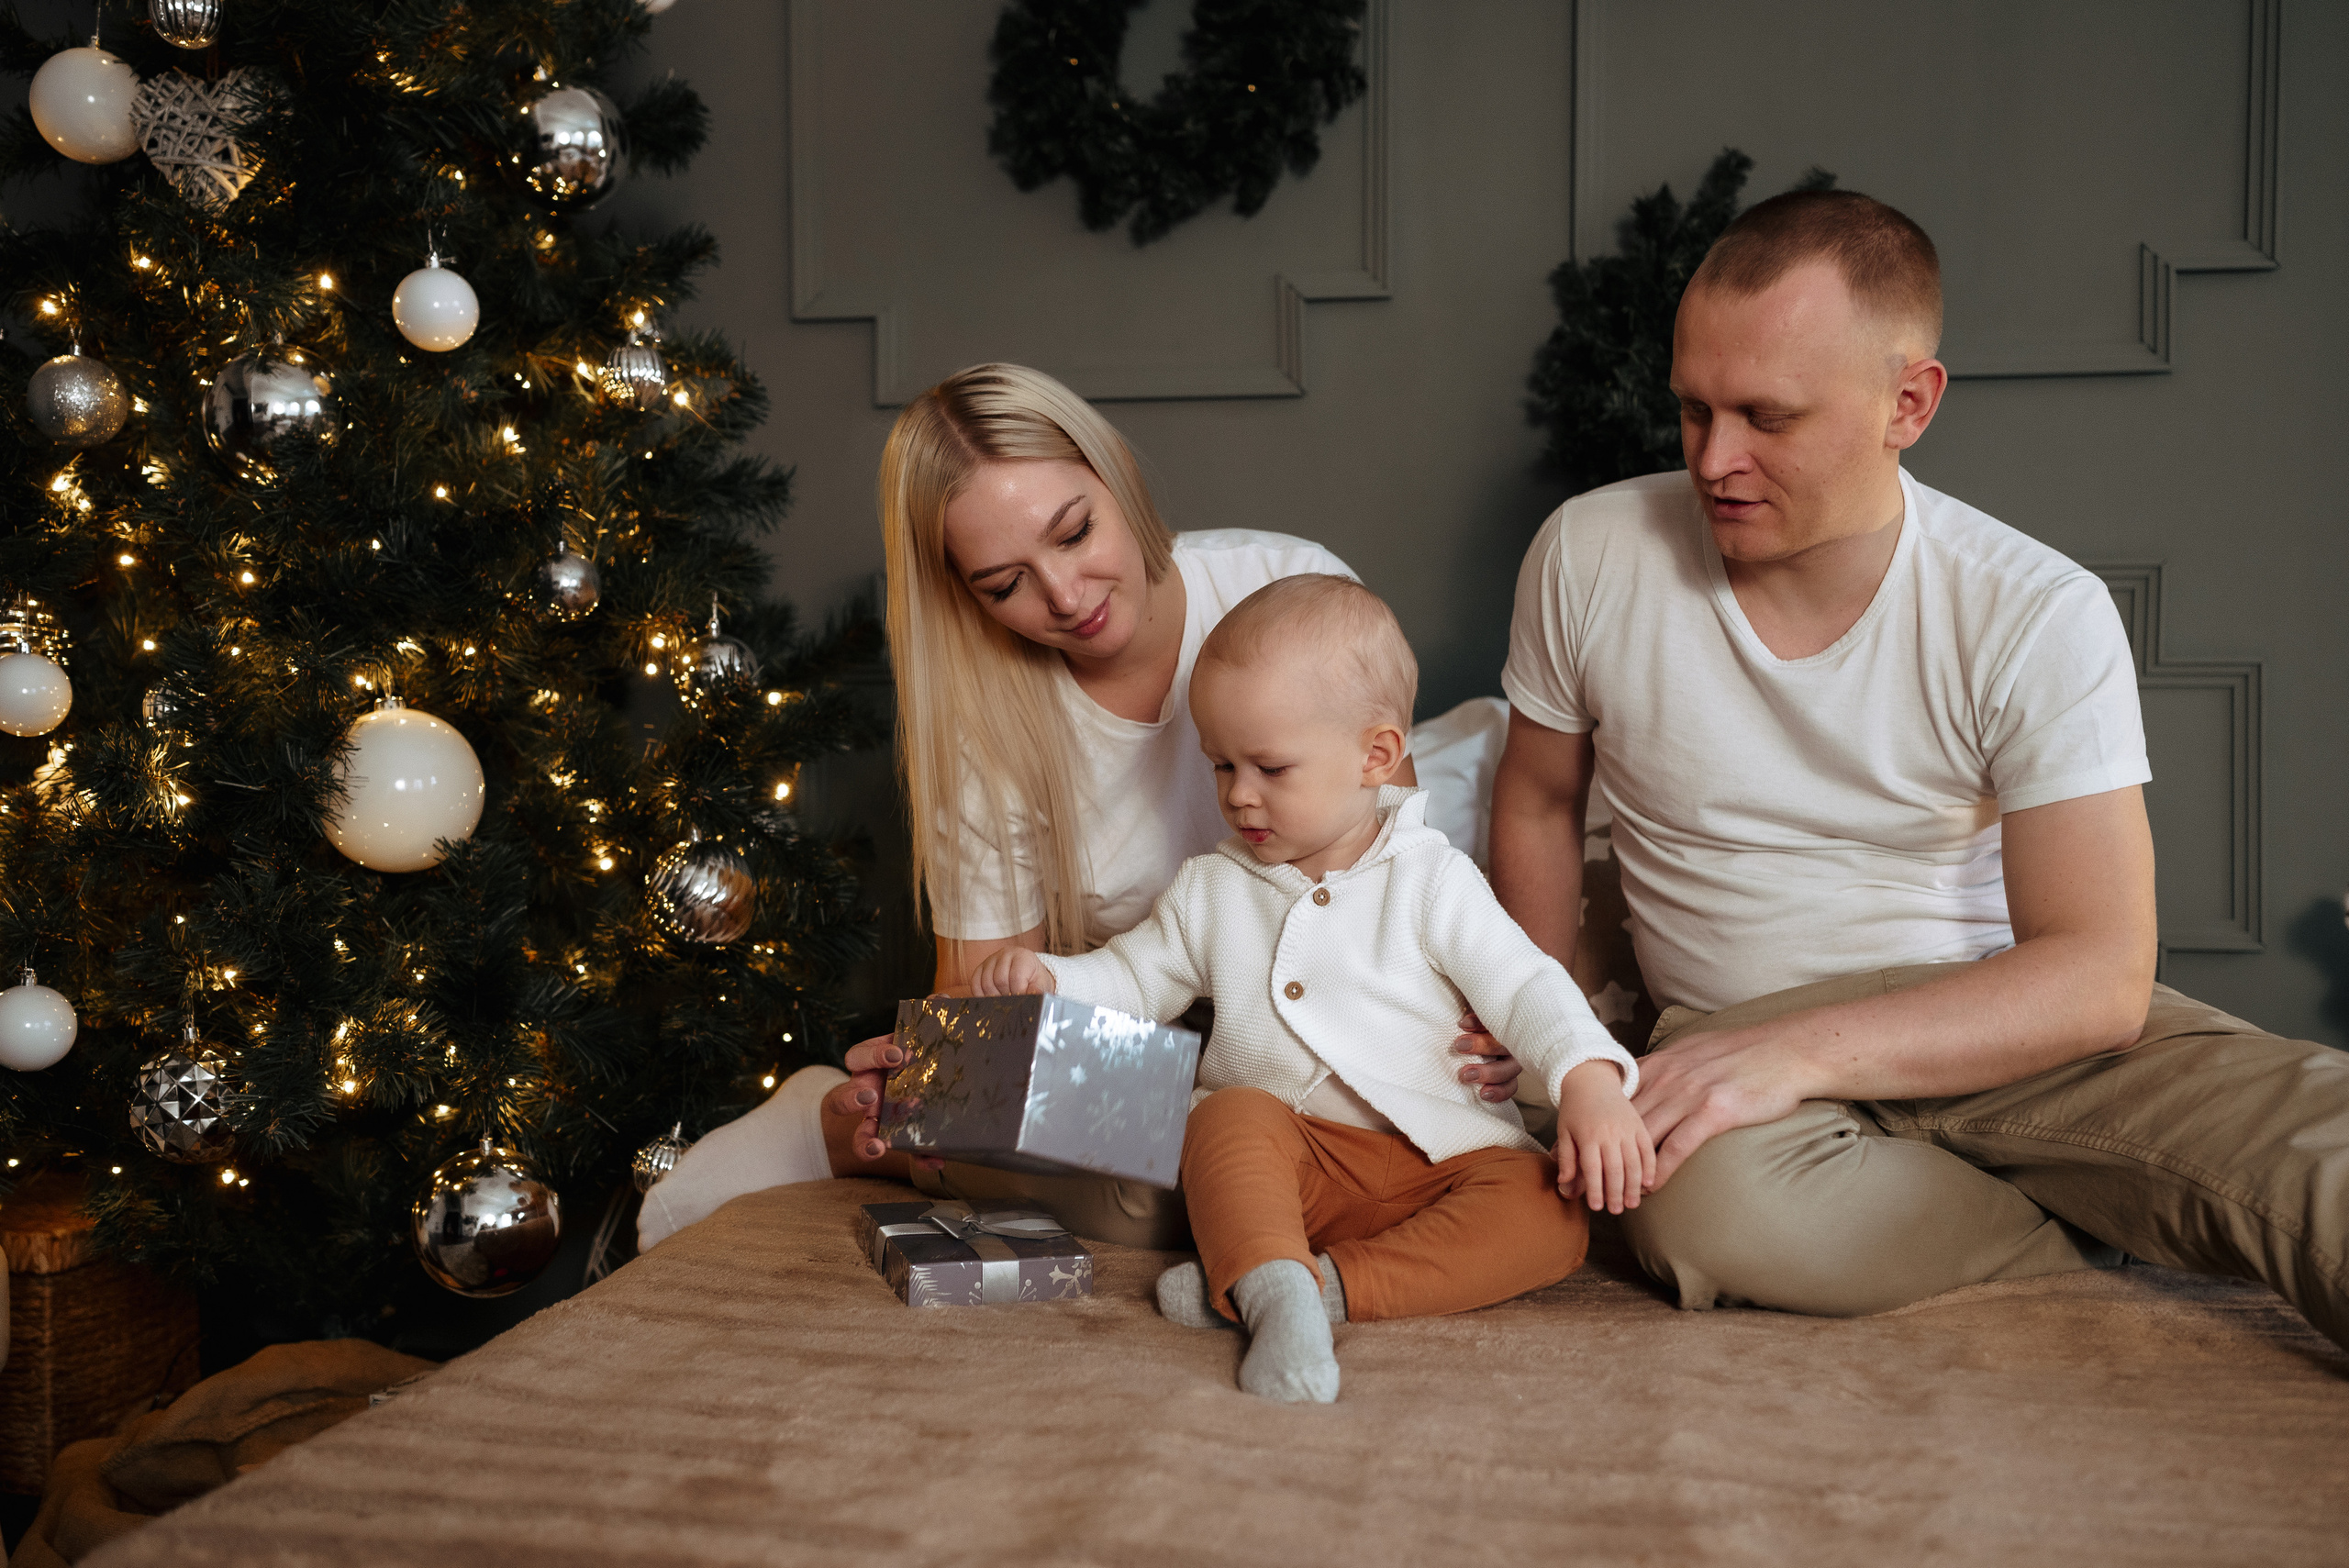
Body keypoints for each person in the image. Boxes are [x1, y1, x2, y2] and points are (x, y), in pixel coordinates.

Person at [1489, 188, 2349, 1347]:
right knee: (1702, 1216)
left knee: (2316, 1143)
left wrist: (1797, 1052)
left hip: (2000, 1018)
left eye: (1766, 416)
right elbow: (1541, 800)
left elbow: (2096, 975)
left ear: (1909, 402)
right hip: (1728, 1027)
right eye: (1692, 409)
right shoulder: (1590, 553)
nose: (1714, 457)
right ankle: (2068, 1224)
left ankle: (2077, 1179)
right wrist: (1549, 1037)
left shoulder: (2033, 610)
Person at [640, 364, 1516, 1251]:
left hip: (1329, 1029)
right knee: (1165, 1188)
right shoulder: (987, 724)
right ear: (963, 593)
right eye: (1003, 583)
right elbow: (986, 1012)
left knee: (1372, 1154)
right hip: (1140, 1060)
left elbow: (1400, 864)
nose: (1065, 595)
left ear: (1116, 477)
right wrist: (948, 1080)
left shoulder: (1288, 583)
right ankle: (840, 1125)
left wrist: (1487, 1022)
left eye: (1074, 532)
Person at [972, 575, 1646, 1402]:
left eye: (1271, 767)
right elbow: (1134, 976)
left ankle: (1309, 1288)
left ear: (1376, 754)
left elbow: (1524, 984)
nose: (1239, 794)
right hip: (1298, 1162)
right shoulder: (1213, 887)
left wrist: (1587, 1077)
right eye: (1221, 764)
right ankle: (1272, 1276)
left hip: (1442, 1157)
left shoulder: (1431, 877)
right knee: (1226, 1117)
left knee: (1550, 1212)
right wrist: (1051, 979)